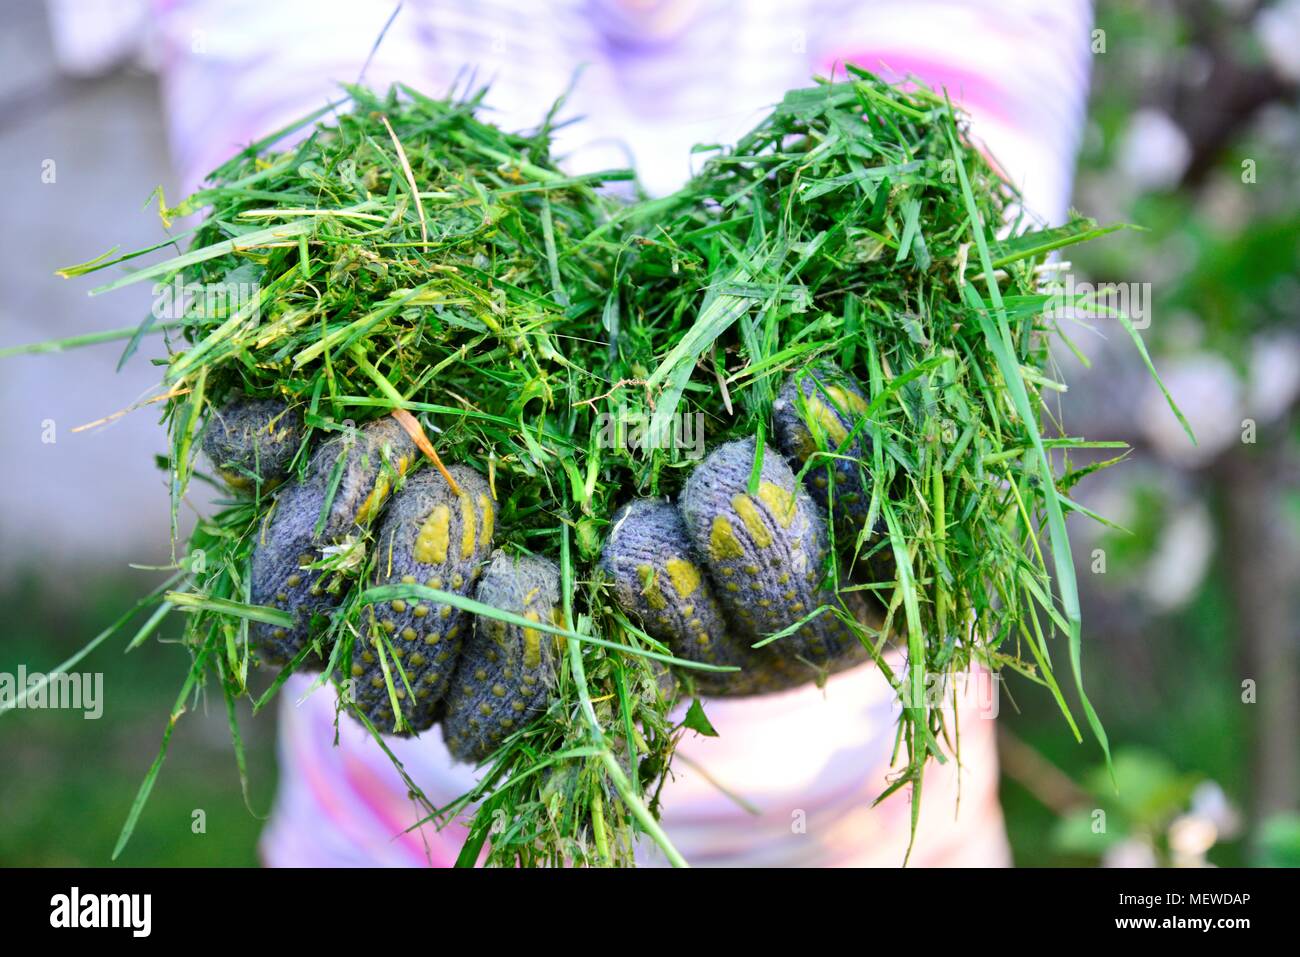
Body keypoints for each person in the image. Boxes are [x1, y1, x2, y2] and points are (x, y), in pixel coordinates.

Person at [51, 0, 1095, 866]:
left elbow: (942, 191)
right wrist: (310, 301)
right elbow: (293, 119)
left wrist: (917, 403)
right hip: (399, 830)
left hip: (870, 826)